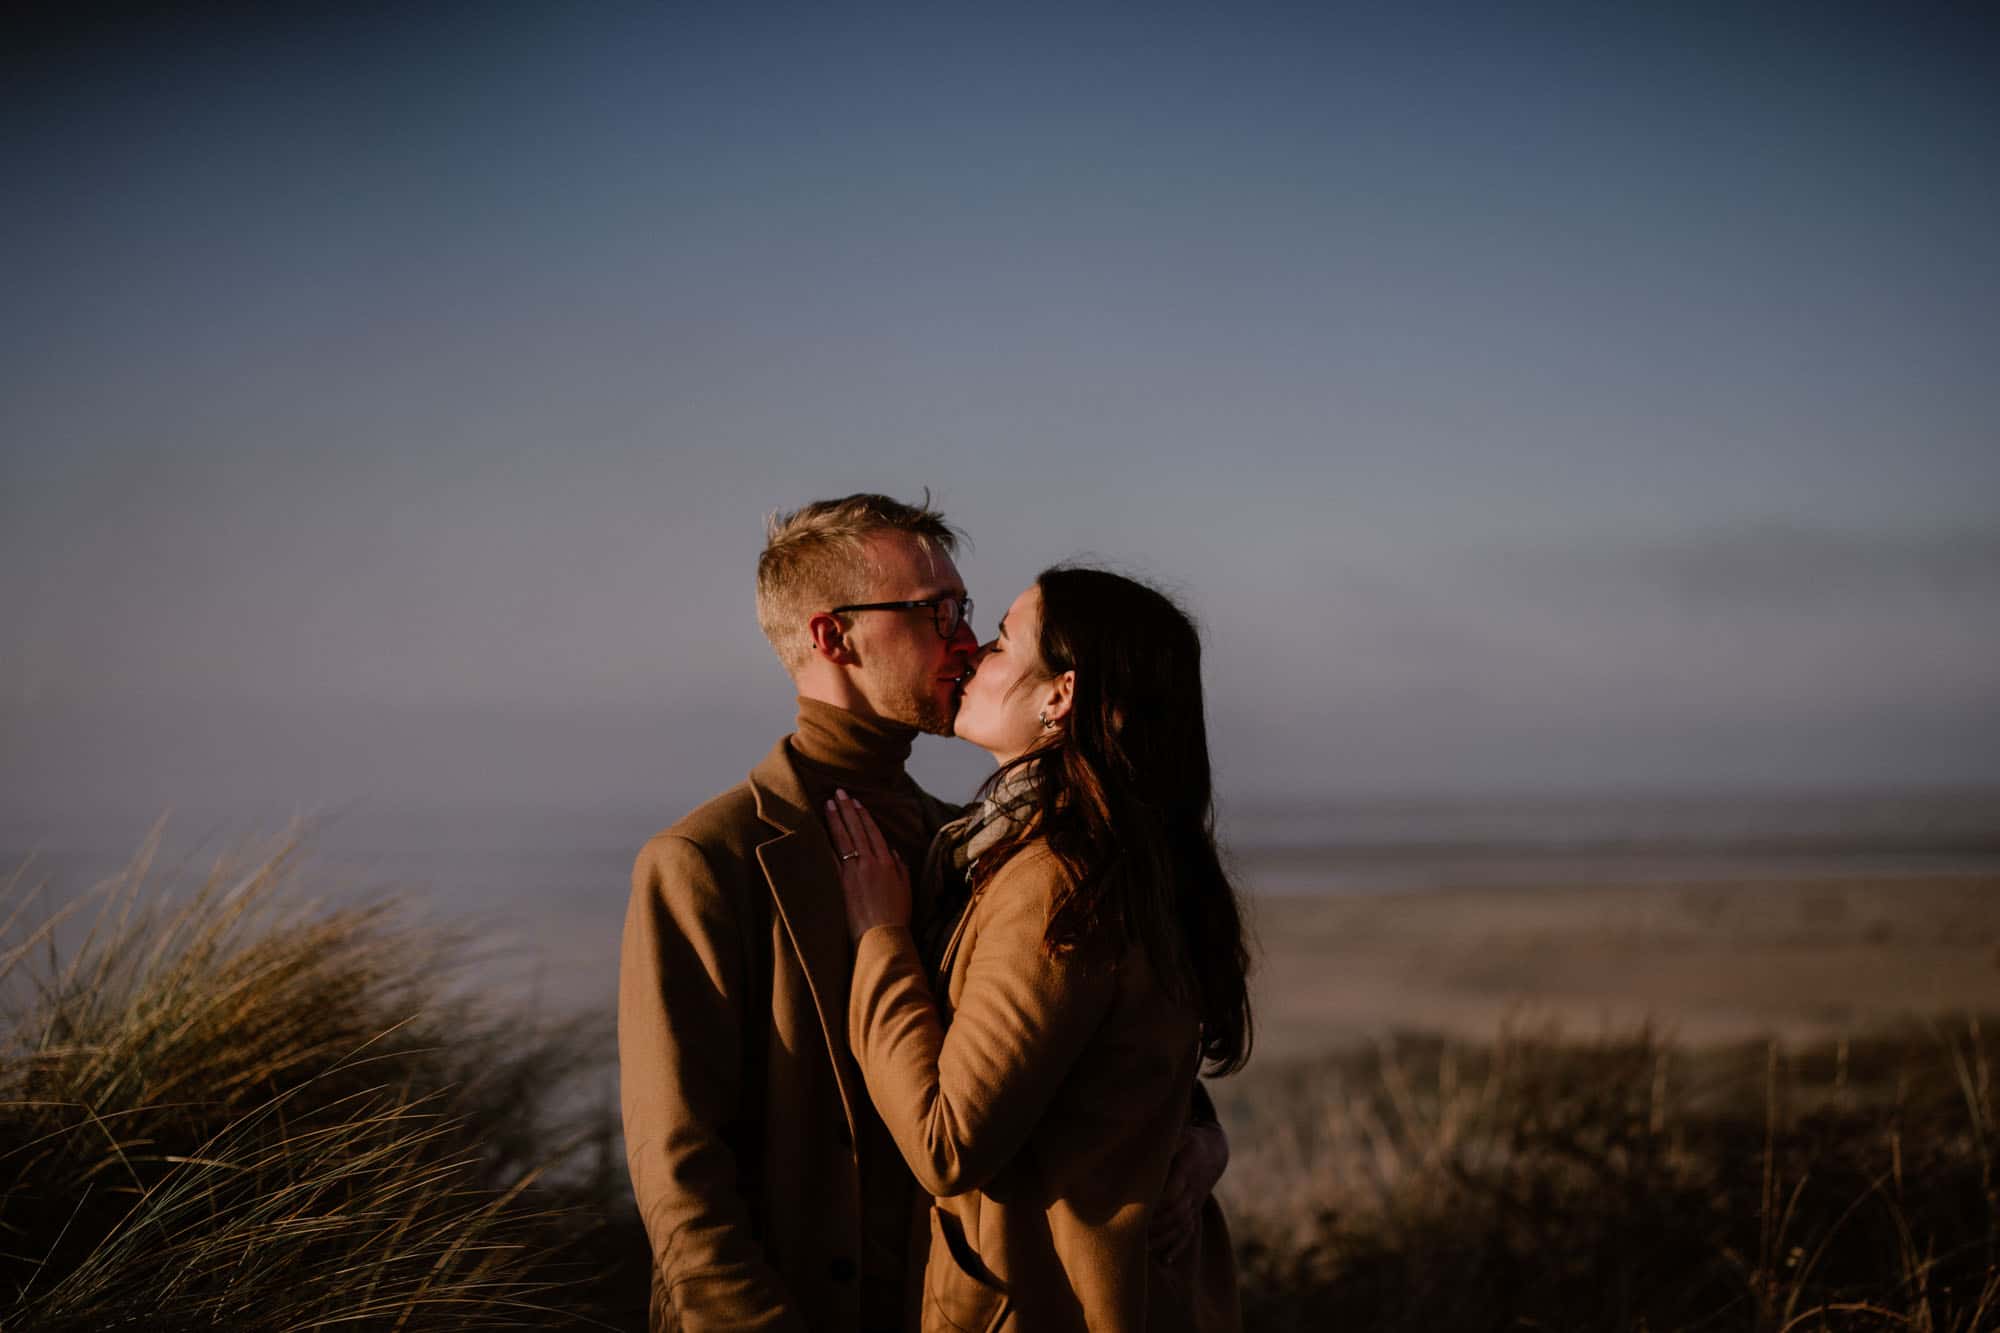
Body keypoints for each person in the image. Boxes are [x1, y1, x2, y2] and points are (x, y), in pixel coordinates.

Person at [619, 497, 1228, 1332]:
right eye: (935, 612)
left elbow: (1082, 1037)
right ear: (834, 637)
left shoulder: (974, 842)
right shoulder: (708, 861)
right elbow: (678, 1169)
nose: (966, 641)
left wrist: (1193, 1131)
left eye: (970, 613)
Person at [827, 565, 1252, 1332]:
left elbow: (947, 1142)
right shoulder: (1115, 850)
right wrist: (1200, 1134)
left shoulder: (1055, 879)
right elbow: (1111, 1059)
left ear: (1060, 696)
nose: (968, 652)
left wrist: (879, 935)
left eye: (998, 641)